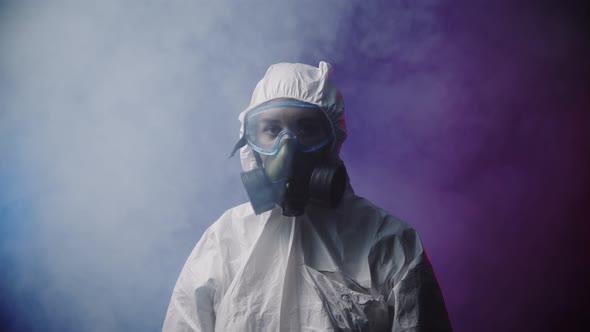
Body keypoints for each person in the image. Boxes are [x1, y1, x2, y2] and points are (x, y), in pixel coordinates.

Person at [162, 61, 452, 331]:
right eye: (272, 129)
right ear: (250, 143)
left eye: (308, 128)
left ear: (333, 139)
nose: (287, 148)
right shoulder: (224, 238)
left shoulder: (389, 241)